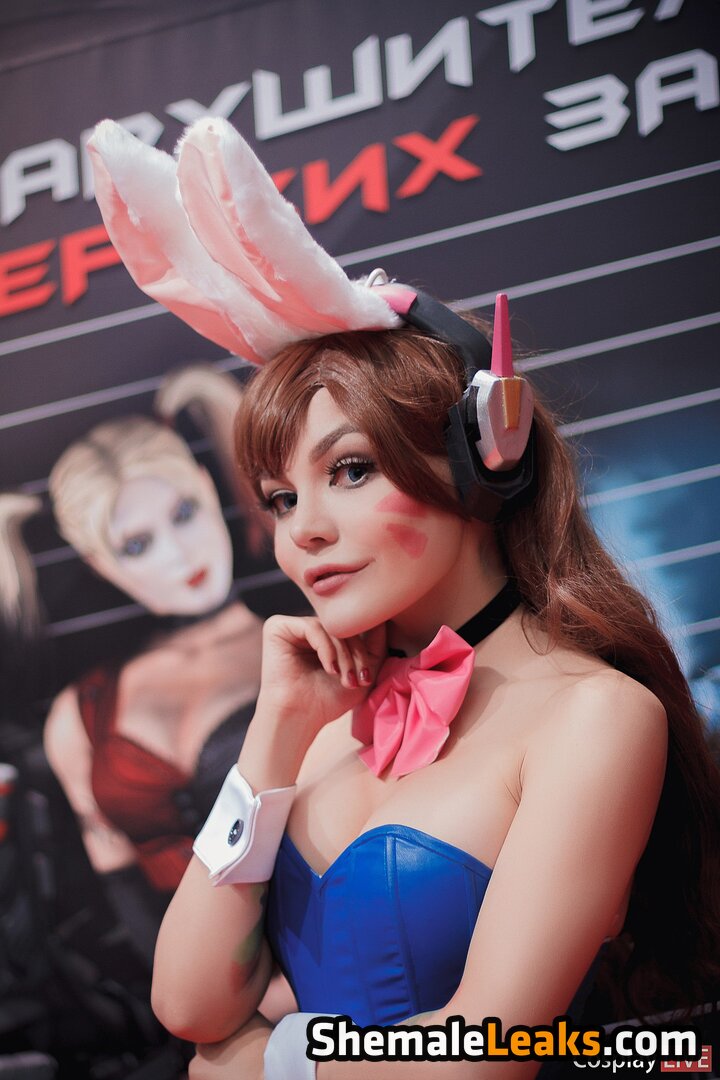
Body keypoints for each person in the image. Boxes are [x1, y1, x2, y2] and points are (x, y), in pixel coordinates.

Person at [87, 117, 720, 1079]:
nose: (303, 530)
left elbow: (485, 1053)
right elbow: (188, 1002)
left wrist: (269, 1061)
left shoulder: (594, 715)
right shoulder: (320, 729)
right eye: (281, 498)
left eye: (349, 471)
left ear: (483, 456)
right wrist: (274, 734)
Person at [43, 366, 264, 966]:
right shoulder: (79, 714)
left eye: (184, 512)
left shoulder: (311, 639)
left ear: (207, 488)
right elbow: (123, 888)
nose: (179, 553)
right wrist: (193, 1006)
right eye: (137, 545)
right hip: (194, 992)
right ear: (100, 563)